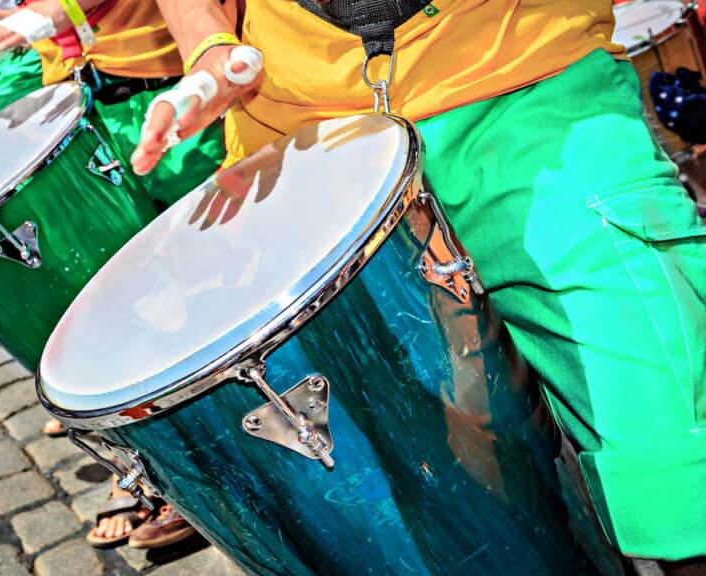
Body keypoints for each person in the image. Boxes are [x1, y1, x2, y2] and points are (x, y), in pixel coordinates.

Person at [135, 0, 706, 571]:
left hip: (526, 78)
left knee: (675, 447)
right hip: (306, 135)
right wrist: (209, 50)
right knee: (445, 506)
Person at [0, 0, 233, 549]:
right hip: (103, 97)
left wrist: (45, 18)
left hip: (184, 89)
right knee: (138, 297)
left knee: (213, 288)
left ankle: (230, 456)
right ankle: (178, 464)